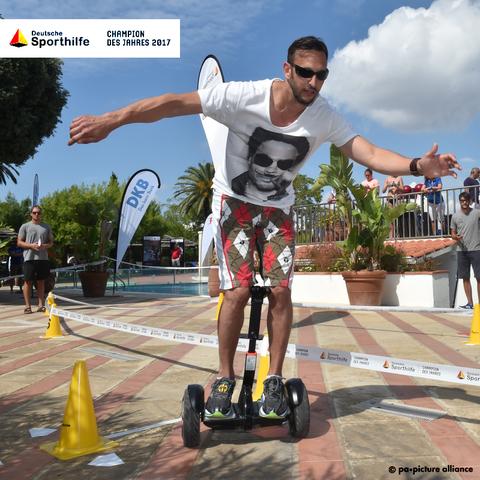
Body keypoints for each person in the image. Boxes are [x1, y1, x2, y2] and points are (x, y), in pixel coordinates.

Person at [68, 36, 459, 419]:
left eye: (321, 75)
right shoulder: (243, 97)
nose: (313, 82)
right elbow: (173, 104)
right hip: (233, 204)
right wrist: (111, 120)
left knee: (281, 292)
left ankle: (273, 379)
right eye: (305, 72)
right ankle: (225, 377)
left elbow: (367, 151)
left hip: (278, 211)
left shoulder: (323, 115)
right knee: (237, 292)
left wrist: (417, 166)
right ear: (287, 69)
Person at [17, 205, 54, 314]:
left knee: (41, 281)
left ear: (41, 214)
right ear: (31, 214)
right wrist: (31, 246)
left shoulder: (46, 227)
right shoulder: (25, 226)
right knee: (27, 282)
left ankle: (41, 305)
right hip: (29, 258)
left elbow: (51, 243)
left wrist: (44, 246)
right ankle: (27, 306)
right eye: (34, 212)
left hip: (43, 258)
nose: (36, 214)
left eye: (38, 213)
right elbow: (19, 242)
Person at [451, 191, 480, 309]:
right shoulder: (455, 216)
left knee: (479, 278)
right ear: (460, 201)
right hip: (461, 250)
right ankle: (470, 303)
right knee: (465, 277)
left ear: (470, 201)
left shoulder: (477, 213)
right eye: (462, 200)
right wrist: (455, 237)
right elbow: (452, 233)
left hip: (477, 249)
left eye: (466, 200)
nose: (464, 202)